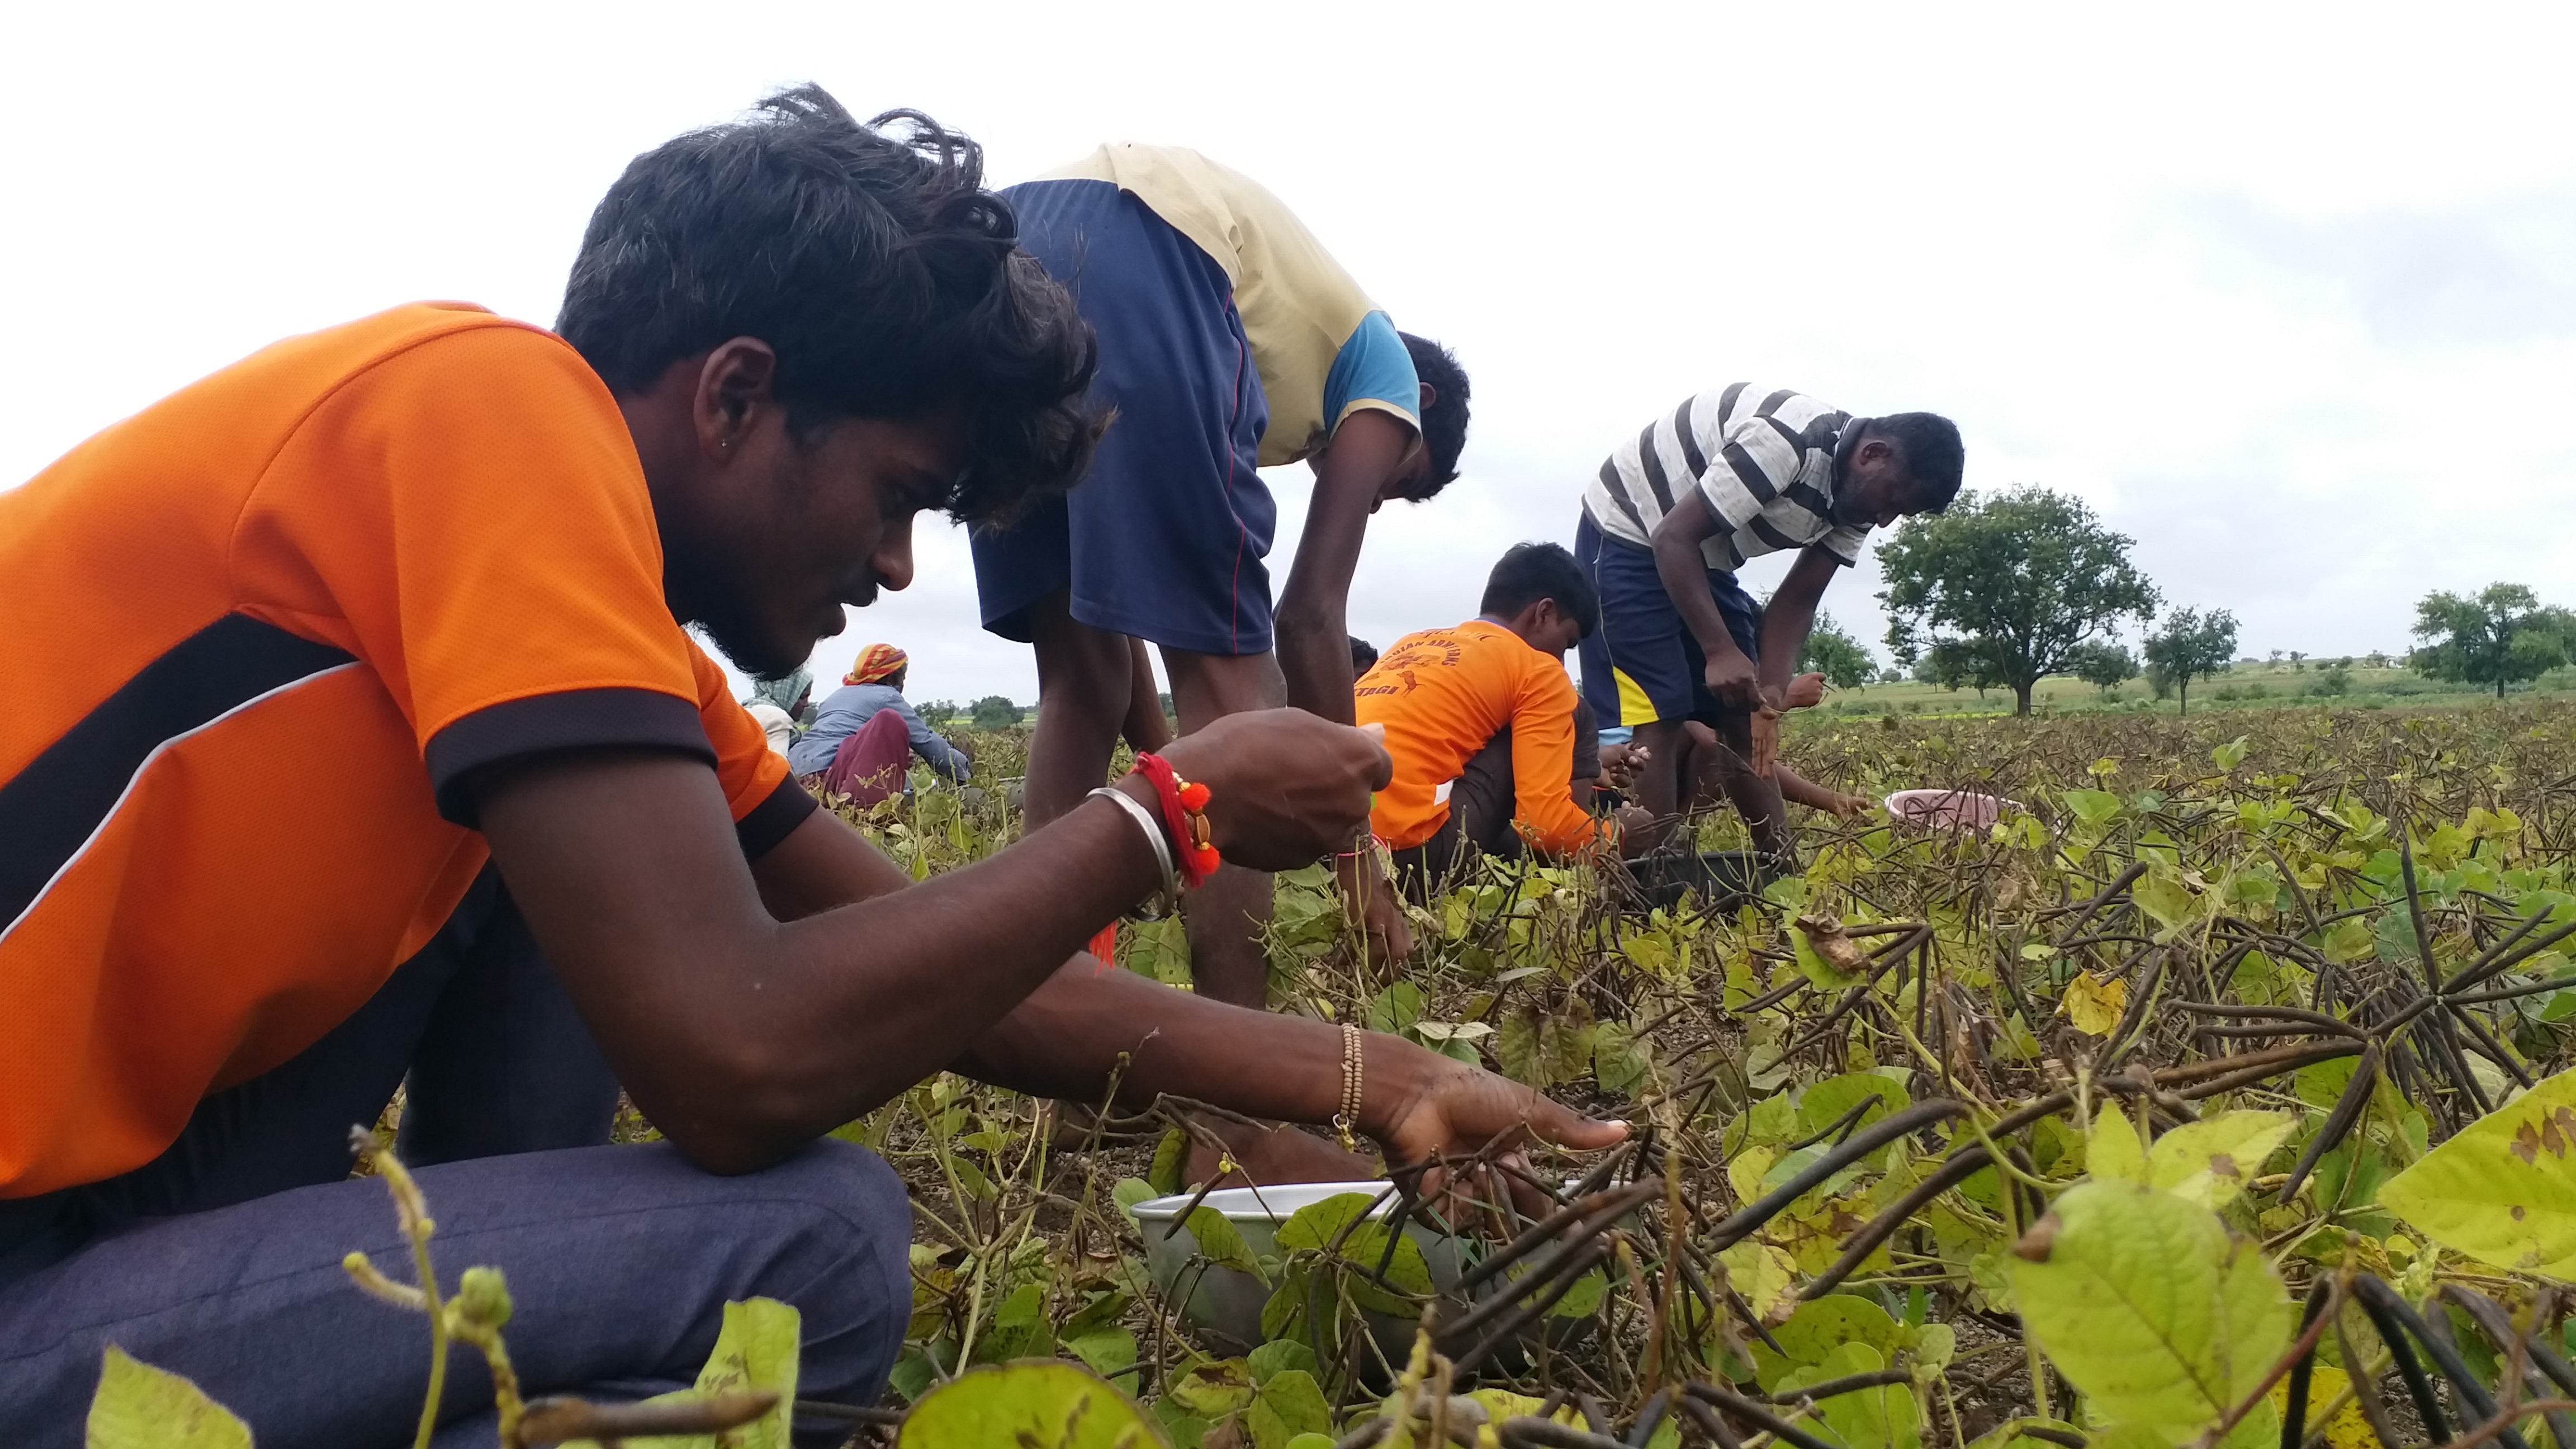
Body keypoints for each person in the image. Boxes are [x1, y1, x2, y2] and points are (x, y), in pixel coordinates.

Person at [0, 90, 1621, 1446]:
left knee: (596, 889)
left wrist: (1379, 1078)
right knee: (813, 1254)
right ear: (735, 395)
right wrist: (1163, 813)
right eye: (898, 489)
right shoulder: (487, 407)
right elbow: (736, 1054)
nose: (899, 569)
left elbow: (975, 982)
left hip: (114, 1202)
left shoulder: (595, 639)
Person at [969, 142, 1472, 1002]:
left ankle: (1061, 1034)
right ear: (1418, 407)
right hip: (1151, 237)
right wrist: (1355, 855)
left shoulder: (1277, 374)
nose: (1380, 495)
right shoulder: (1383, 367)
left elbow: (1112, 619)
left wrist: (1173, 769)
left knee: (1077, 680)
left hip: (999, 256)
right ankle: (1229, 1094)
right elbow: (1310, 618)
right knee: (1233, 680)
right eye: (1405, 477)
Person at [1575, 384, 1962, 857]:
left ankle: (1781, 869)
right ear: (1872, 454)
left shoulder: (1859, 500)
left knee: (1744, 709)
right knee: (1663, 711)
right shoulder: (1788, 442)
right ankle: (1652, 874)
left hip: (1701, 556)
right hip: (1631, 531)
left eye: (1899, 514)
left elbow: (1797, 601)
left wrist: (1772, 696)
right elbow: (1671, 537)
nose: (1883, 519)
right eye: (1892, 501)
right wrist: (1719, 650)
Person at [1356, 544, 1651, 896]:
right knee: (1578, 712)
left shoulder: (1411, 645)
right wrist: (1616, 834)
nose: (1561, 662)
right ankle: (1569, 877)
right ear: (1543, 613)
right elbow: (1542, 825)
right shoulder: (1538, 671)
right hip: (1411, 859)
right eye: (1567, 642)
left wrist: (1591, 764)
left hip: (1339, 850)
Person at [785, 642, 974, 783]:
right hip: (831, 774)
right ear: (892, 677)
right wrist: (964, 773)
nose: (902, 685)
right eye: (903, 678)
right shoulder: (886, 697)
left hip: (795, 772)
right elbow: (926, 741)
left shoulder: (836, 696)